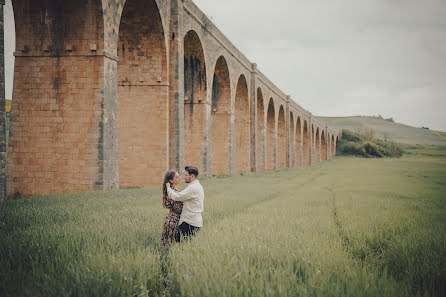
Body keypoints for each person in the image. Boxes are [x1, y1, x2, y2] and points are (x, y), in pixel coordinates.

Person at [166, 166, 204, 241]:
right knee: (187, 245)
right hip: (194, 221)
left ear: (192, 176)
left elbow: (176, 196)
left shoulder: (192, 188)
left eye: (186, 175)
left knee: (181, 245)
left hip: (189, 222)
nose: (184, 177)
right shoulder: (198, 186)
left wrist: (168, 188)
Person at [160, 170, 183, 247]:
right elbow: (178, 209)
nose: (179, 177)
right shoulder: (172, 192)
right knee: (172, 245)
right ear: (171, 180)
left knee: (170, 244)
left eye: (179, 175)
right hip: (174, 220)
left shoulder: (172, 190)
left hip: (173, 219)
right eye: (177, 177)